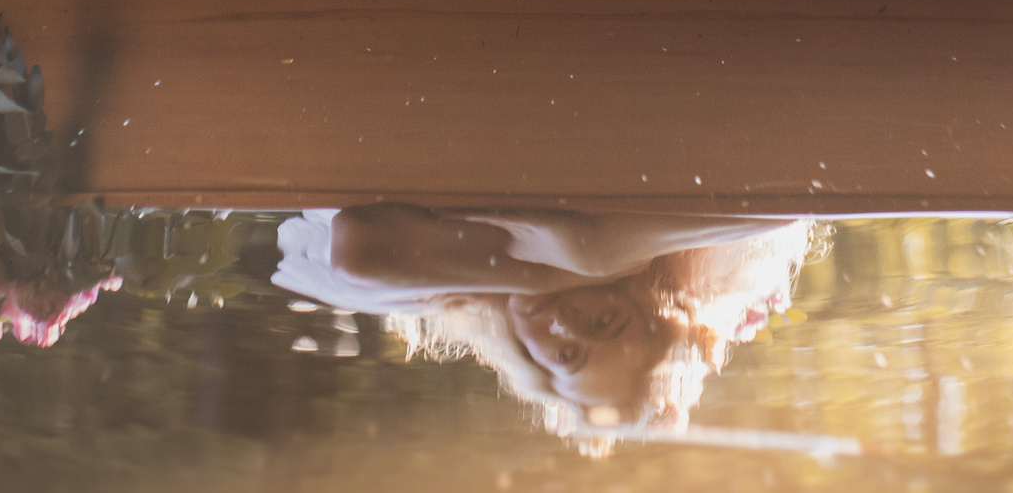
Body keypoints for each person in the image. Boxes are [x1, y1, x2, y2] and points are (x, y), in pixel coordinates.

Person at [271, 204, 816, 443]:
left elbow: (357, 252)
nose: (562, 325)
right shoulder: (659, 254)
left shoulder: (451, 293)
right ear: (647, 299)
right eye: (606, 321)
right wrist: (600, 251)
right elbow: (790, 206)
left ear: (528, 361)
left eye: (565, 356)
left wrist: (556, 267)